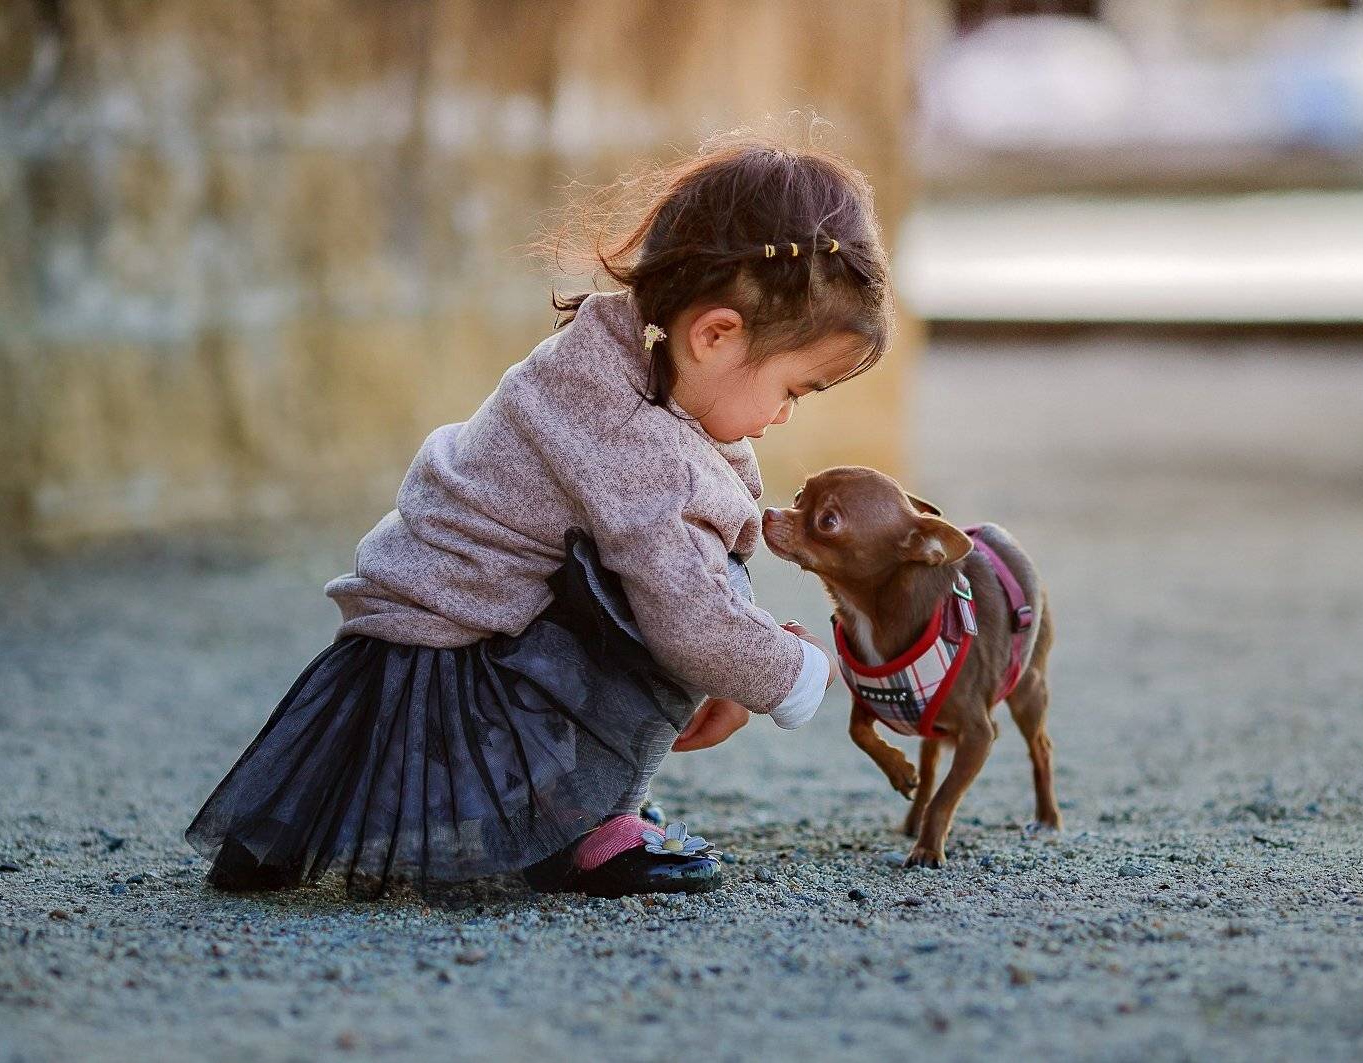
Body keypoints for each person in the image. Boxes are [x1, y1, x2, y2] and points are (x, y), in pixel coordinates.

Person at [184, 129, 896, 900]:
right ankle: (582, 827)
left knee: (683, 579)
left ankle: (307, 836)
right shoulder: (636, 443)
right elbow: (689, 619)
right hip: (467, 672)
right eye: (793, 389)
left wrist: (727, 659)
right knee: (677, 591)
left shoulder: (612, 353)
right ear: (715, 334)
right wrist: (791, 672)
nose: (786, 415)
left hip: (421, 649)